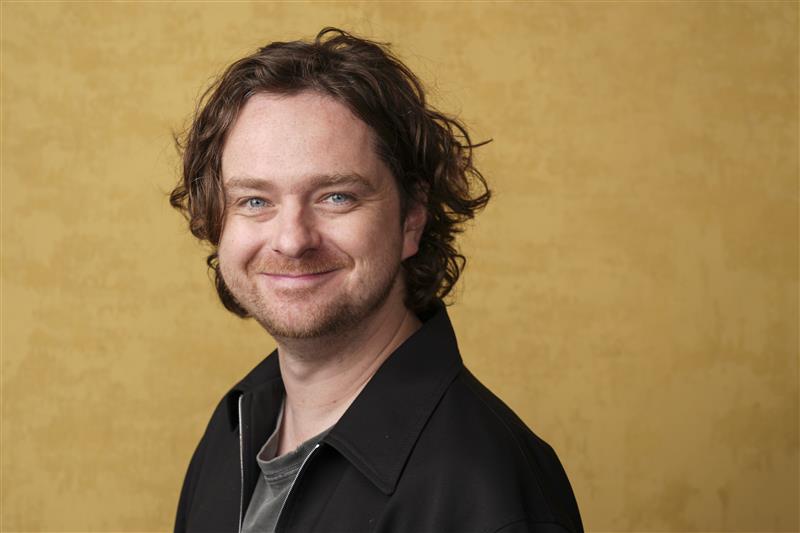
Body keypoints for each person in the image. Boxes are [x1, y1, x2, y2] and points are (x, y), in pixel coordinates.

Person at [170, 27, 583, 533]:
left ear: (412, 217)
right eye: (255, 201)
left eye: (336, 196)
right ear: (218, 222)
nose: (292, 239)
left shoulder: (485, 492)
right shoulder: (234, 427)